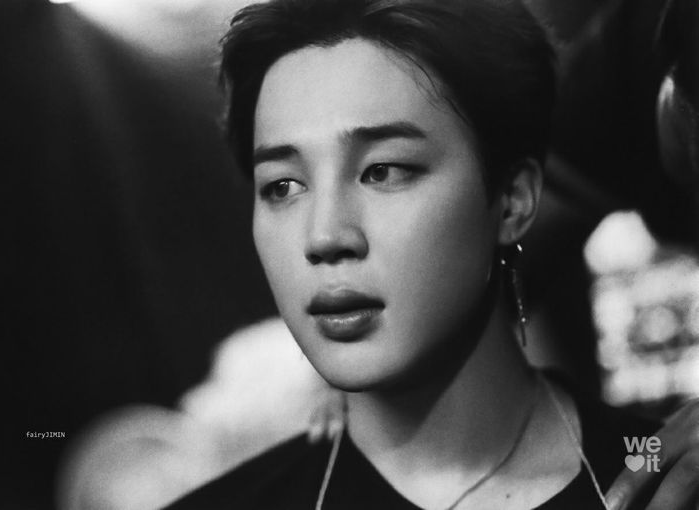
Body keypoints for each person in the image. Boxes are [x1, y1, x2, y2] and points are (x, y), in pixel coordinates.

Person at [161, 0, 658, 508]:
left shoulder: (658, 471)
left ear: (513, 200)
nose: (325, 236)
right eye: (283, 186)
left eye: (383, 171)